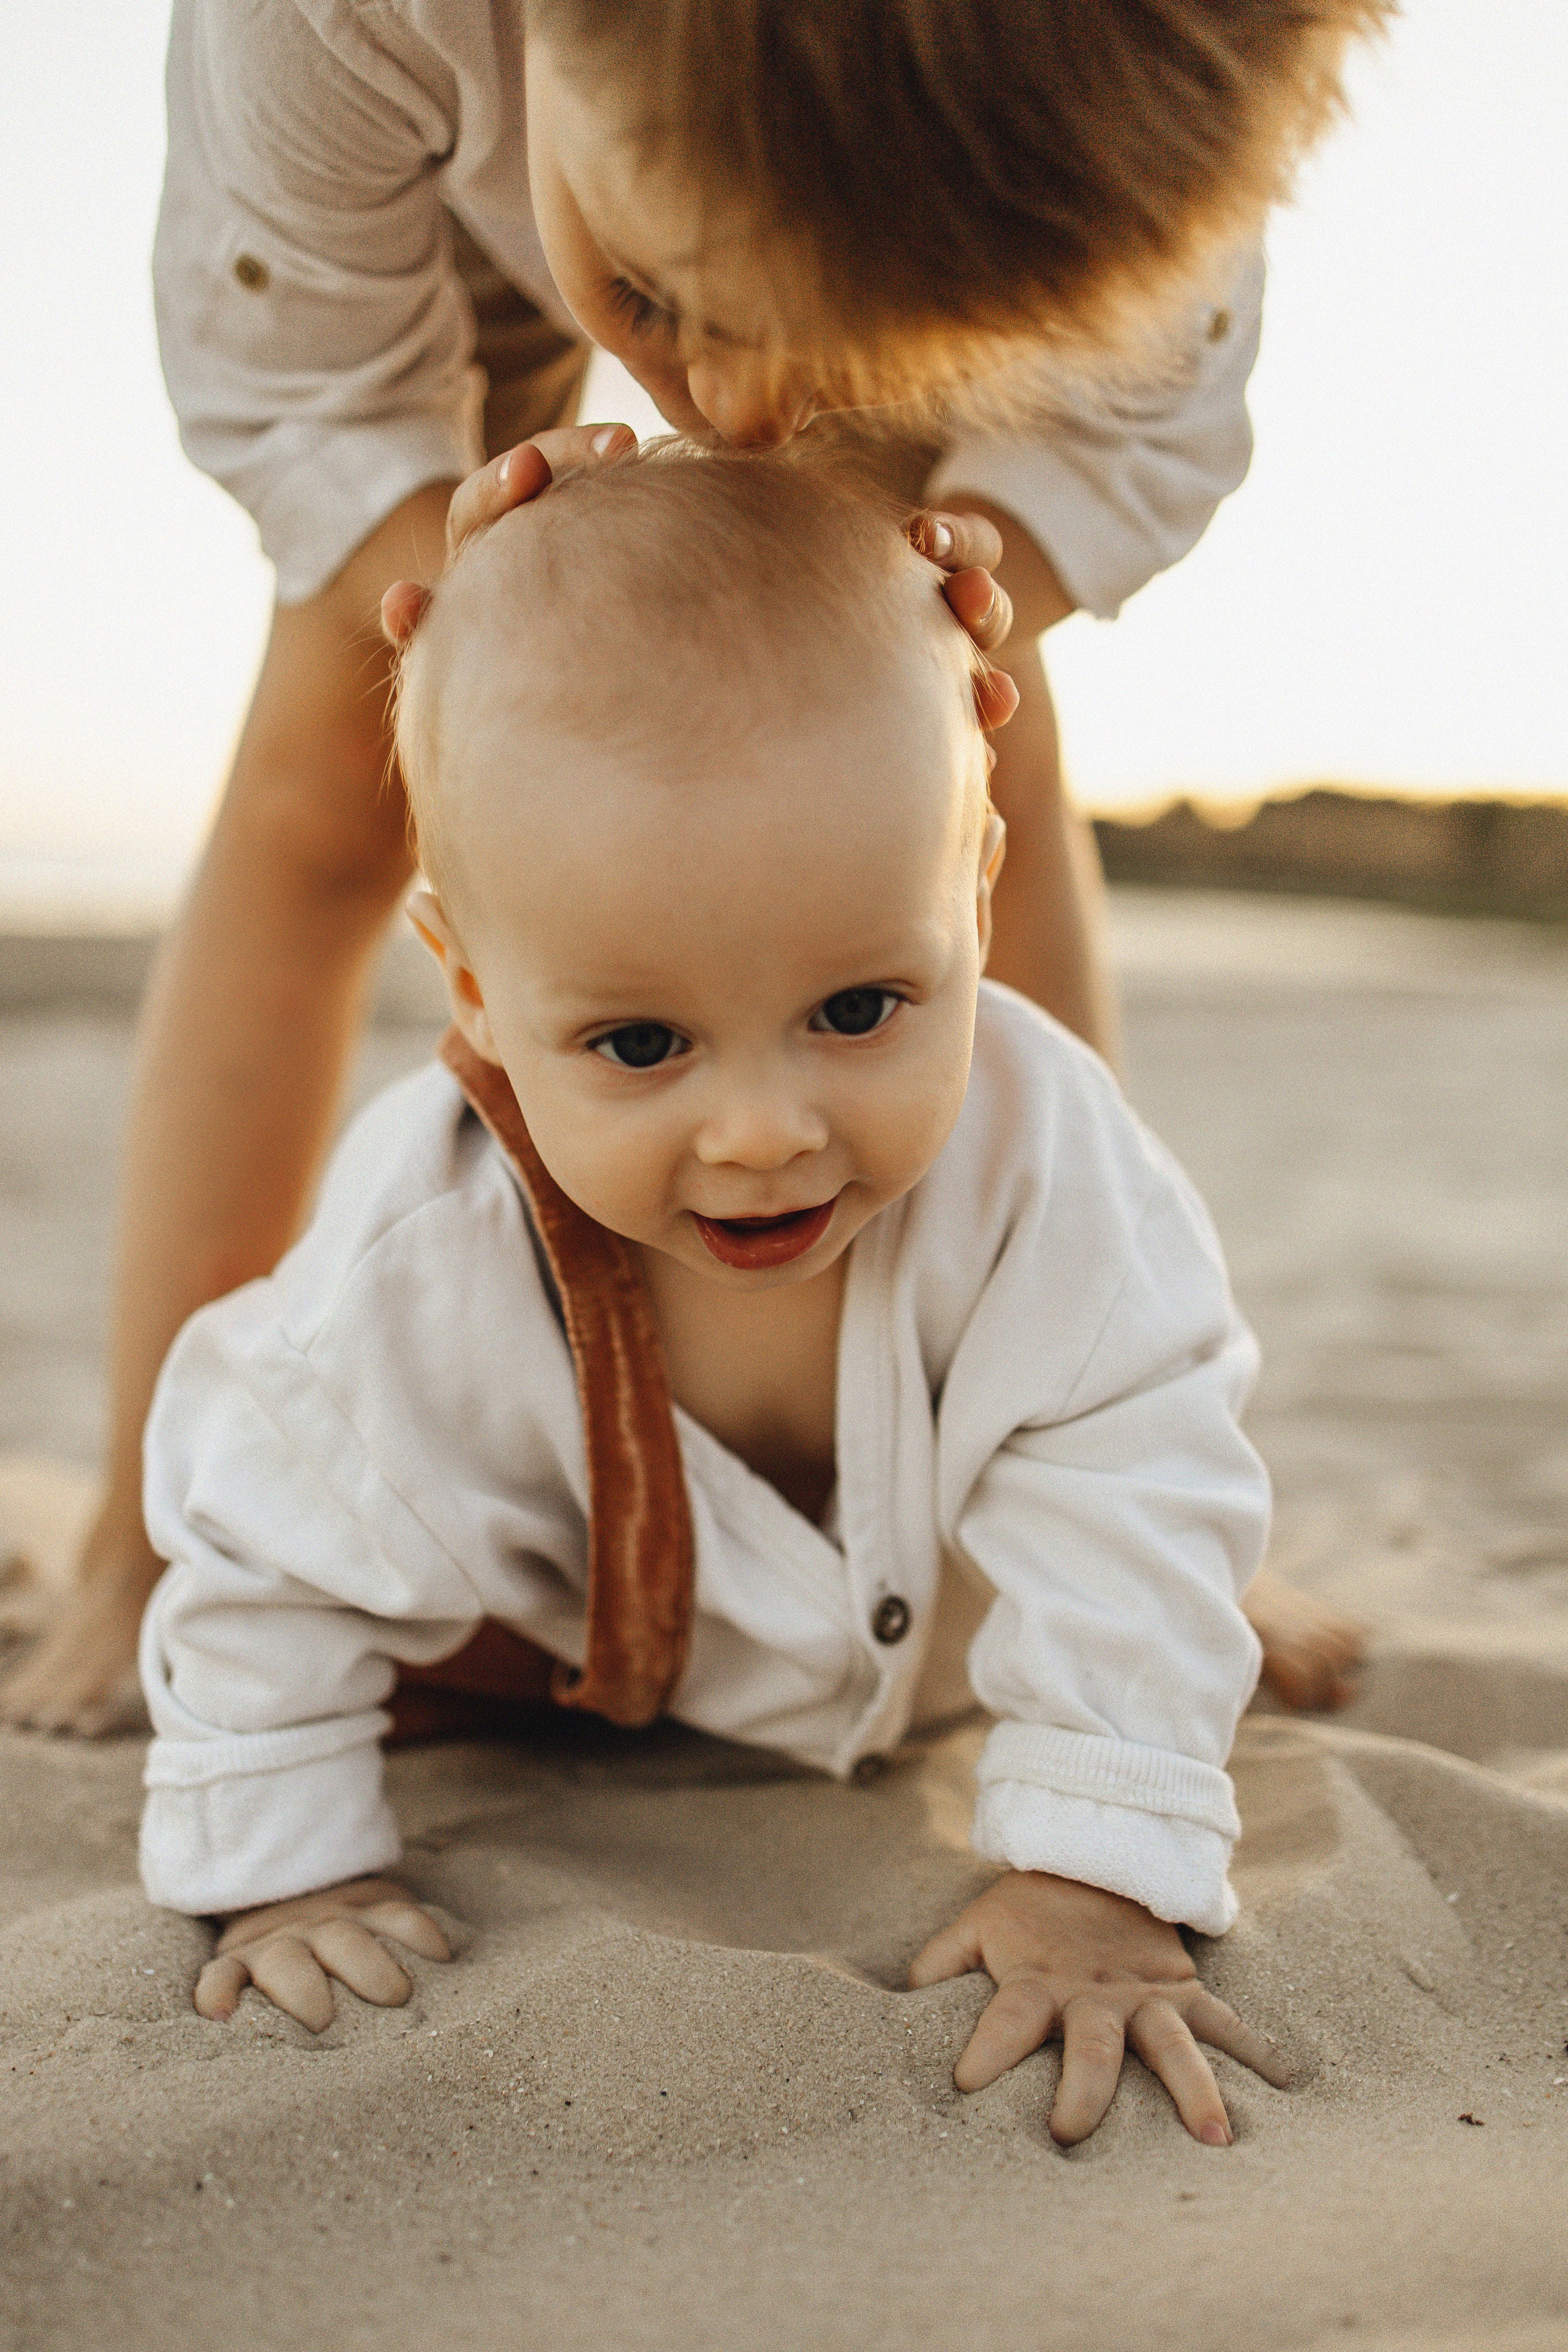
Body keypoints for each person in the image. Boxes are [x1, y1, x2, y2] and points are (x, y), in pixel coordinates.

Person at [0, 0, 1377, 1733]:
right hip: (453, 180)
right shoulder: (330, 28)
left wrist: (911, 616)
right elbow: (308, 404)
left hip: (911, 257)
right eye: (669, 311)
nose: (733, 411)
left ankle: (1115, 1513)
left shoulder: (1144, 111)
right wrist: (496, 624)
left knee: (925, 768)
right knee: (323, 782)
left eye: (775, 353)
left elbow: (1112, 449)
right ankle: (148, 1533)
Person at [139, 445, 1287, 2148]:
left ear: (973, 893)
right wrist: (285, 1866)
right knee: (373, 1586)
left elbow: (1135, 1463)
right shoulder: (427, 1257)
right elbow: (263, 1535)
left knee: (1169, 1547)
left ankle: (1265, 1611)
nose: (764, 1131)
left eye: (859, 1007)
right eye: (641, 1044)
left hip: (952, 1613)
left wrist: (1096, 1875)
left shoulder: (1051, 1165)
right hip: (572, 1643)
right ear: (469, 978)